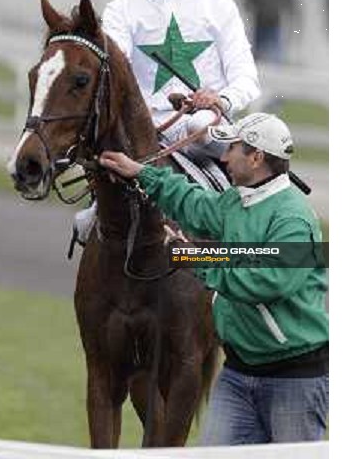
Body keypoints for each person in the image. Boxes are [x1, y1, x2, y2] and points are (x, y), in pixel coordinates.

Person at [99, 112, 329, 445]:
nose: (223, 158)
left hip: (296, 380)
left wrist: (195, 256)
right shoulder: (236, 200)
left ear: (256, 157)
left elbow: (269, 280)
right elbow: (195, 204)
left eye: (232, 148)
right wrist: (142, 173)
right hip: (238, 373)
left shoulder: (294, 218)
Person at [74, 0, 261, 242]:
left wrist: (219, 99)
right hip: (146, 132)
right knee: (92, 217)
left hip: (206, 127)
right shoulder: (122, 9)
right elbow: (112, 73)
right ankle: (101, 212)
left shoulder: (217, 3)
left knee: (202, 125)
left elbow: (247, 79)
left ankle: (246, 230)